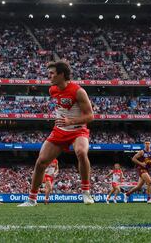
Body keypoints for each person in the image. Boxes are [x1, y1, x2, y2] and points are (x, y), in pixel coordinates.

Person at [19, 60, 95, 207]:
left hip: (78, 129)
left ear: (61, 74)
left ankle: (86, 192)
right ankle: (32, 199)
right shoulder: (52, 90)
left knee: (81, 152)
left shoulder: (78, 91)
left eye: (52, 73)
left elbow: (90, 116)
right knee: (41, 162)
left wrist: (71, 121)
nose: (49, 76)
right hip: (59, 131)